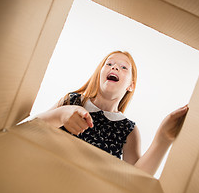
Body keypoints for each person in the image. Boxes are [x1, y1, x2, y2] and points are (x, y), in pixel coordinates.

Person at [37, 51, 188, 176]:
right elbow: (29, 128)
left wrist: (163, 139)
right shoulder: (72, 101)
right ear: (99, 74)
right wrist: (61, 114)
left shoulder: (128, 130)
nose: (115, 67)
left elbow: (135, 180)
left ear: (131, 85)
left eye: (123, 67)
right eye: (109, 64)